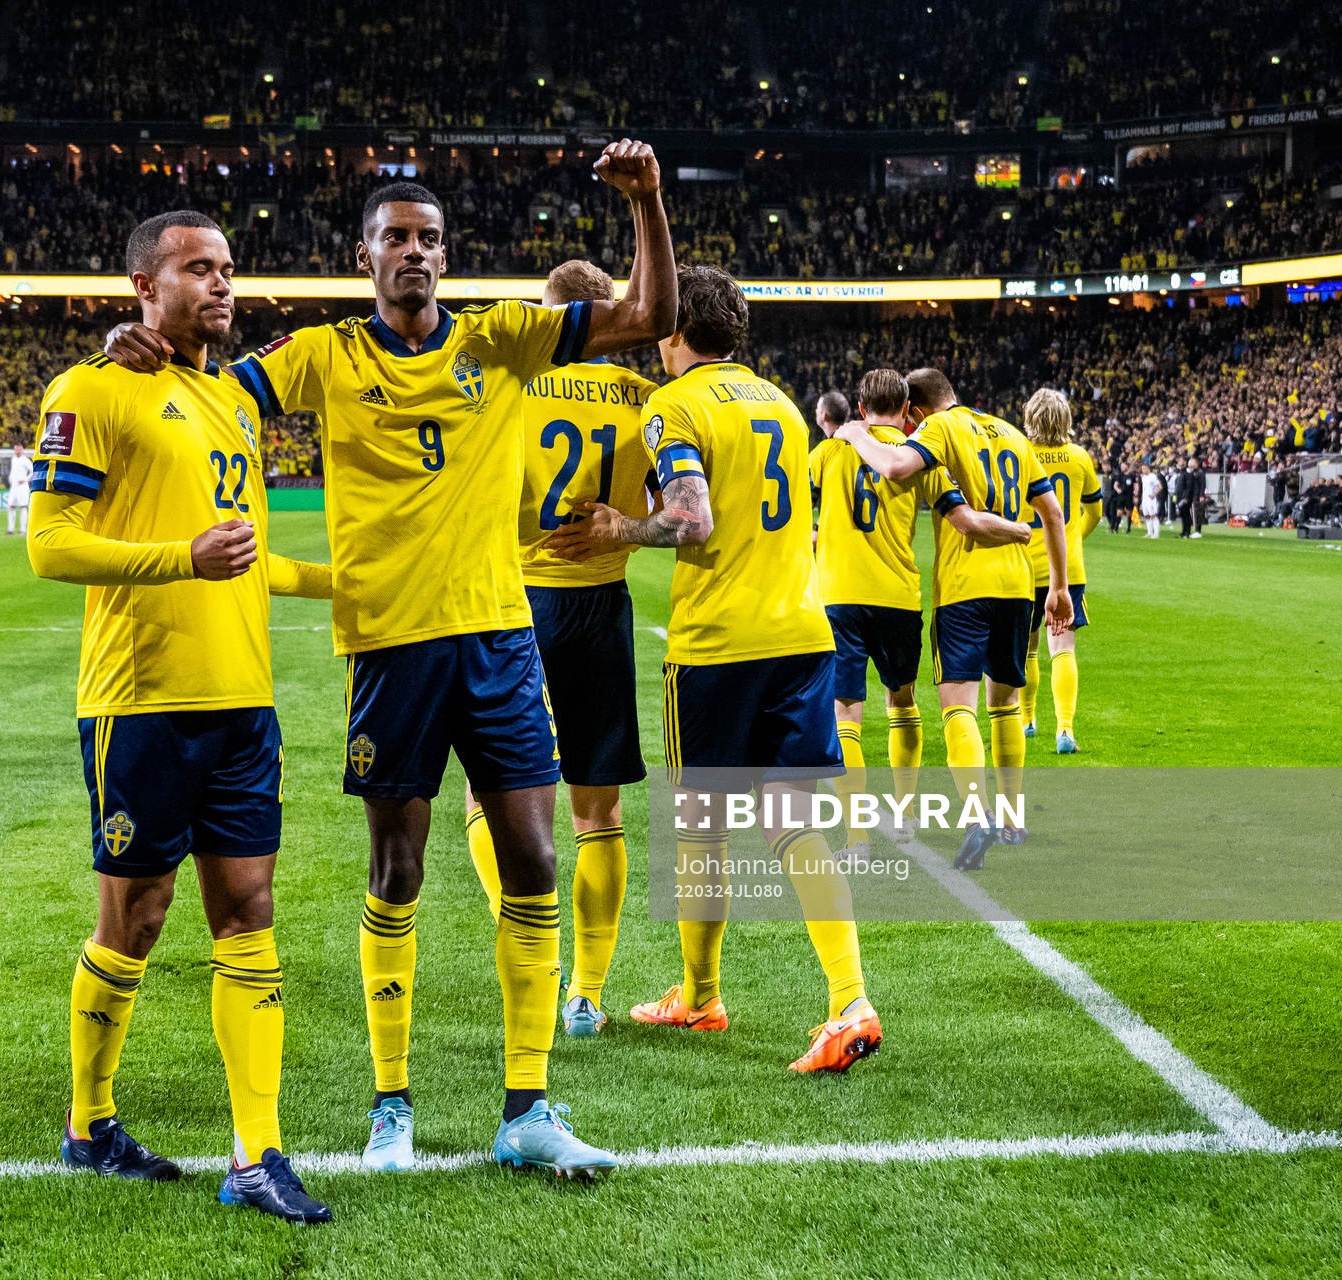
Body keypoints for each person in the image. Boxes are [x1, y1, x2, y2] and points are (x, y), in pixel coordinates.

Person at [103, 138, 674, 1179]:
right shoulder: (322, 355)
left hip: (499, 638)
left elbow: (649, 315)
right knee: (397, 868)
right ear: (364, 255)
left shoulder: (503, 339)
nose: (416, 252)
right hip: (390, 650)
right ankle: (391, 1104)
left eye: (431, 240)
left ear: (446, 258)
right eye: (397, 238)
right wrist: (135, 342)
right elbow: (207, 396)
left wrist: (648, 203)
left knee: (536, 858)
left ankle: (530, 1104)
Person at [30, 212, 336, 1223]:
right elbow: (49, 544)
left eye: (229, 269)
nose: (221, 284)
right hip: (141, 698)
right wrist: (178, 558)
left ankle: (258, 1152)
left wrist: (349, 583)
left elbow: (248, 554)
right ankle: (89, 1122)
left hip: (244, 698)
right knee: (137, 917)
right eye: (197, 268)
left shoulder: (232, 399)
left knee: (249, 914)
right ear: (141, 285)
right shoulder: (93, 388)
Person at [550, 265, 884, 1074]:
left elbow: (691, 520)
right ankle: (849, 998)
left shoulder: (675, 404)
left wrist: (618, 528)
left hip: (719, 644)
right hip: (802, 636)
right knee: (797, 826)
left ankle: (701, 998)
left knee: (701, 831)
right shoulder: (779, 402)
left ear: (671, 330)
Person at [463, 258, 657, 1041]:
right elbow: (662, 509)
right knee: (598, 809)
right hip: (602, 603)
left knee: (489, 796)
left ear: (552, 315)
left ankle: (530, 952)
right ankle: (588, 992)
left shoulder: (510, 380)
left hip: (518, 600)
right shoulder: (647, 399)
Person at [832, 368, 1071, 871]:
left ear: (914, 412)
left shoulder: (937, 430)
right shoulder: (1011, 431)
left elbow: (897, 467)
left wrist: (852, 434)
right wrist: (1059, 586)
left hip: (963, 588)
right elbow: (1052, 512)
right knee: (1005, 705)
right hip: (1016, 586)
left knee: (957, 709)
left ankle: (978, 814)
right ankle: (1011, 820)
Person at [1018, 389, 1101, 755]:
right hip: (1066, 572)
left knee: (1027, 648)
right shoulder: (1080, 457)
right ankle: (1065, 730)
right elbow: (1095, 511)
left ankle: (1027, 721)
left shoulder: (1019, 453)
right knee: (1063, 647)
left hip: (1025, 566)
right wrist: (1071, 541)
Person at [5, 443, 33, 534]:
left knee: (22, 507)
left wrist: (25, 479)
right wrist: (10, 477)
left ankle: (22, 530)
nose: (17, 451)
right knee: (11, 506)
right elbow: (13, 471)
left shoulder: (25, 460)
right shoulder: (13, 459)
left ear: (22, 450)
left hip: (22, 487)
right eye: (16, 449)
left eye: (19, 449)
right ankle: (10, 529)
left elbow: (33, 471)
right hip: (14, 486)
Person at [1141, 464, 1164, 539]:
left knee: (1153, 515)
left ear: (1148, 469)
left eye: (1144, 468)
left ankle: (1156, 533)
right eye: (1142, 469)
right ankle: (1149, 532)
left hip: (1151, 499)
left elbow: (1160, 487)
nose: (1143, 470)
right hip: (1145, 499)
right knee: (1146, 516)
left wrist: (1154, 494)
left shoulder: (1153, 476)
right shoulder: (1143, 477)